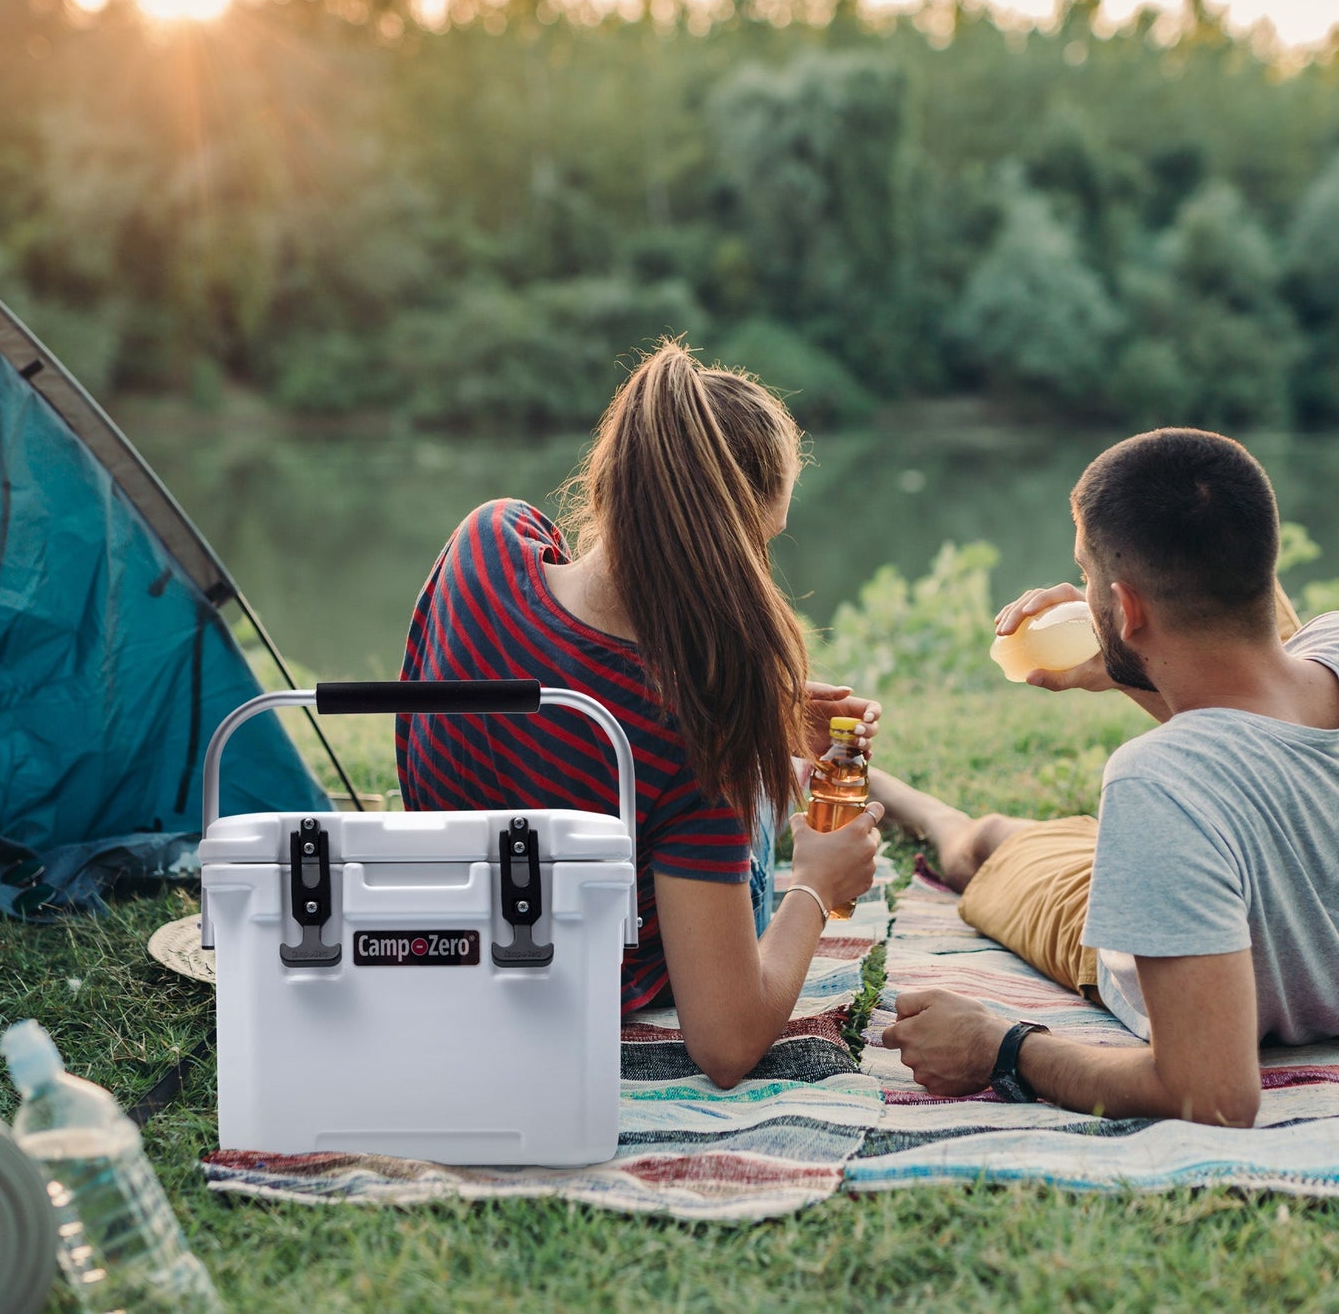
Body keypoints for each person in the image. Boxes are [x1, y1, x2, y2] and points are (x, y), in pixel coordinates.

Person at [396, 340, 885, 1088]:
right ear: (726, 543)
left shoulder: (487, 541)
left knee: (742, 771)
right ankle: (785, 791)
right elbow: (724, 1043)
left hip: (452, 920)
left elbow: (569, 673)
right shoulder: (697, 721)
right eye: (761, 541)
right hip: (579, 972)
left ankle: (779, 771)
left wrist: (771, 716)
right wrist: (816, 884)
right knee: (759, 799)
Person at [876, 427, 1339, 1126]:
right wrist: (1126, 661)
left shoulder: (1157, 784)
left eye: (1086, 577)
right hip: (1219, 856)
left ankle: (892, 792)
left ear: (1124, 608)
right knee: (1012, 836)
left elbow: (1211, 1092)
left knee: (982, 846)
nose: (1080, 594)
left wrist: (1000, 1048)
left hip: (1135, 941)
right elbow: (1259, 726)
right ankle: (884, 785)